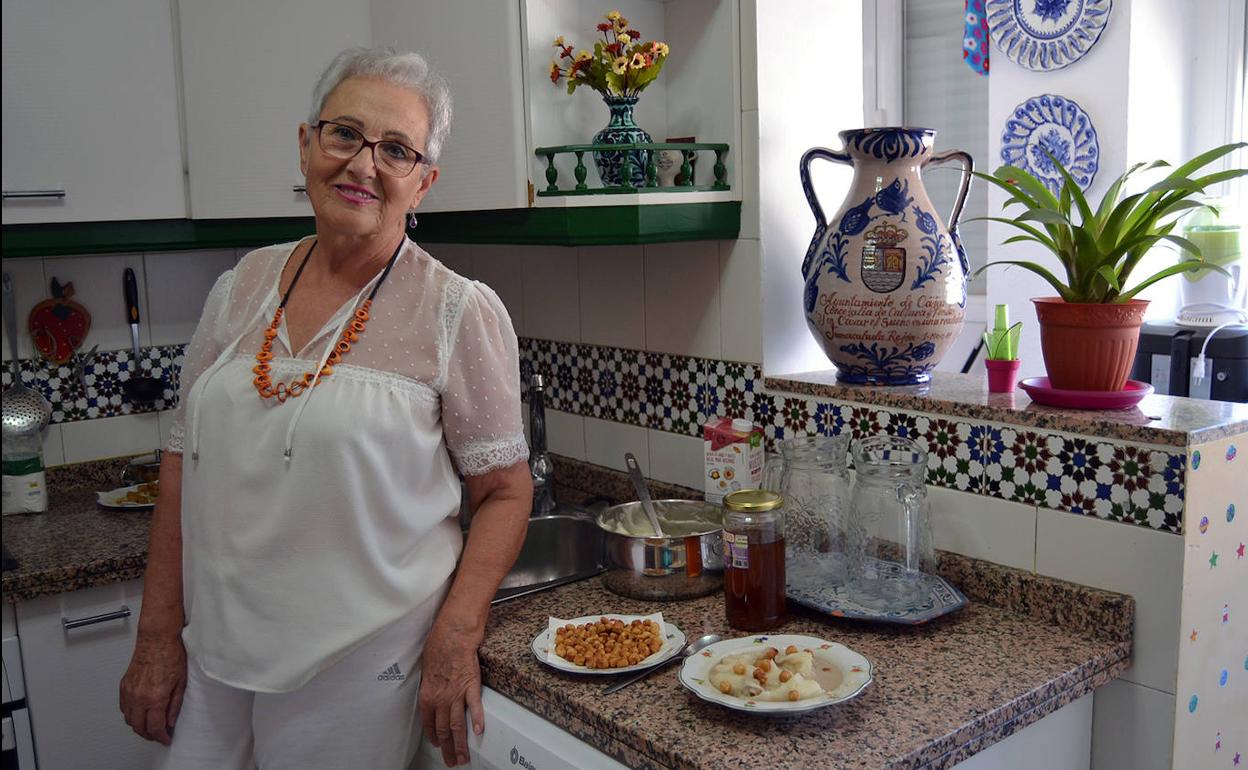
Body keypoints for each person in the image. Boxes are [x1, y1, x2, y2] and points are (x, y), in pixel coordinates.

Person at [119, 45, 532, 769]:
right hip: (213, 647)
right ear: (307, 144)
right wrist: (157, 635)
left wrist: (456, 634)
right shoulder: (242, 285)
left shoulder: (456, 311)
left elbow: (504, 491)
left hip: (359, 667)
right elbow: (183, 463)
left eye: (396, 150)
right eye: (345, 134)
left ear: (424, 182)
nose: (363, 165)